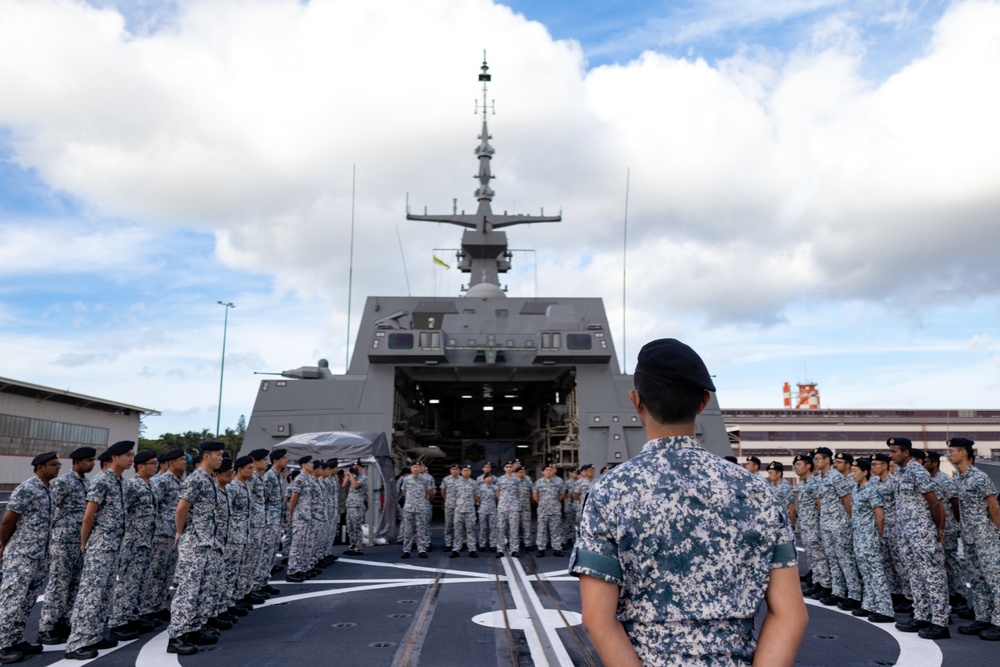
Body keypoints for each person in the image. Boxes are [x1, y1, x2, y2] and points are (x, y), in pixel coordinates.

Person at [571, 338, 805, 666]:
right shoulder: (757, 490)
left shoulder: (610, 491)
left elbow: (597, 619)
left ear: (636, 401)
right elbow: (790, 615)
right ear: (703, 402)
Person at [66, 440, 137, 660]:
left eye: (132, 454)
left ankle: (94, 635)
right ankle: (77, 642)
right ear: (114, 457)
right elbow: (88, 516)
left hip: (114, 545)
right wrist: (84, 543)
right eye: (127, 454)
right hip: (100, 545)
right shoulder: (102, 481)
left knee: (104, 593)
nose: (131, 458)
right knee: (90, 594)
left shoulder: (121, 483)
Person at [166, 441, 226, 655]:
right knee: (188, 590)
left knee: (203, 589)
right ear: (207, 456)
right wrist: (180, 532)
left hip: (208, 542)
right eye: (218, 454)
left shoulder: (210, 479)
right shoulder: (196, 479)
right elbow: (181, 509)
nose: (221, 458)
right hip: (195, 542)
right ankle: (177, 636)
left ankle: (194, 627)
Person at [0, 452, 61, 664]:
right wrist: (3, 546)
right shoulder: (27, 488)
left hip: (39, 555)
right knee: (11, 600)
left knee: (26, 602)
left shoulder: (49, 490)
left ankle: (15, 639)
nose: (58, 467)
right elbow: (8, 521)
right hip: (21, 555)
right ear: (40, 467)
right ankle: (2, 644)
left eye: (58, 464)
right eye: (54, 464)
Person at [887, 437, 950, 639]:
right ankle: (921, 615)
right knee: (915, 575)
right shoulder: (899, 473)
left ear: (905, 452)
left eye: (894, 451)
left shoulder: (917, 471)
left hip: (922, 533)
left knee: (933, 576)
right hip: (905, 533)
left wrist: (939, 528)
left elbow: (935, 503)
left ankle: (940, 622)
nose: (891, 455)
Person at [38, 447, 95, 645]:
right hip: (63, 541)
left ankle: (63, 620)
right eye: (89, 460)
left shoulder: (87, 483)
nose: (92, 464)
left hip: (79, 542)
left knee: (74, 585)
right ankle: (47, 626)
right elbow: (50, 509)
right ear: (77, 462)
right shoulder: (63, 483)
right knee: (58, 585)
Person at [948, 437, 1000, 640]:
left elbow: (994, 507)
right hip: (969, 538)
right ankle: (983, 618)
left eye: (953, 451)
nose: (949, 454)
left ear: (964, 453)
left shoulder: (979, 477)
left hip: (985, 537)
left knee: (995, 580)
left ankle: (998, 622)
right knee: (978, 581)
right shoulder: (959, 478)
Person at [107, 450, 159, 636]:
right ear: (141, 466)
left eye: (156, 463)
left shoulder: (150, 485)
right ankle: (119, 621)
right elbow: (122, 512)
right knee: (128, 582)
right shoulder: (132, 486)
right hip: (133, 542)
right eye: (152, 463)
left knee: (140, 582)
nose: (156, 466)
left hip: (146, 541)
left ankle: (131, 616)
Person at [139, 448, 185, 625]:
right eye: (181, 460)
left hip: (173, 533)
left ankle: (158, 606)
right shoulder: (162, 481)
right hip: (160, 533)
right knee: (155, 572)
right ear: (171, 463)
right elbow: (152, 505)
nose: (184, 462)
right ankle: (147, 608)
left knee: (167, 572)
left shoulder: (180, 481)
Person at [813, 447, 863, 610]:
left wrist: (850, 521)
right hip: (826, 523)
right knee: (832, 558)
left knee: (845, 559)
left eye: (818, 458)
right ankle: (838, 591)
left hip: (839, 523)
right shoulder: (820, 477)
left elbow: (847, 499)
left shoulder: (836, 477)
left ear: (827, 460)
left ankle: (854, 594)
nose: (815, 461)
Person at [848, 458, 894, 623]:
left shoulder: (871, 490)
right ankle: (869, 604)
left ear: (865, 472)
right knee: (866, 573)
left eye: (855, 471)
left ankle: (885, 609)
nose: (852, 474)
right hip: (859, 537)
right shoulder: (856, 489)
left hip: (870, 537)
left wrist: (879, 536)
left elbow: (880, 515)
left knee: (876, 573)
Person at [922, 451, 967, 613]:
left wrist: (957, 524)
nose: (923, 463)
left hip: (947, 528)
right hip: (933, 529)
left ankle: (960, 595)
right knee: (939, 563)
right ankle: (947, 593)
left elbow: (955, 504)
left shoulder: (945, 480)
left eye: (926, 461)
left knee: (951, 562)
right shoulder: (926, 480)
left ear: (934, 463)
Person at [533, 464, 566, 557]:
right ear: (542, 472)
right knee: (542, 530)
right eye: (547, 470)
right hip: (543, 510)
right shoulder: (538, 482)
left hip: (555, 509)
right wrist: (543, 503)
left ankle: (557, 548)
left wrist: (555, 502)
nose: (549, 472)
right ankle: (541, 549)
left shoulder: (558, 482)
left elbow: (562, 493)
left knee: (556, 529)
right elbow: (535, 496)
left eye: (550, 470)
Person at [400, 464, 430, 558]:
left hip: (420, 507)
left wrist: (419, 500)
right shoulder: (406, 479)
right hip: (409, 507)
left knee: (421, 529)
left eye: (417, 467)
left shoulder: (425, 479)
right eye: (414, 467)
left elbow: (427, 492)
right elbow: (404, 491)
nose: (416, 469)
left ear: (420, 468)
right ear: (411, 468)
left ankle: (421, 550)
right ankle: (406, 550)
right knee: (408, 530)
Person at [450, 465, 479, 557]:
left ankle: (472, 549)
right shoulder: (456, 483)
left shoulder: (474, 483)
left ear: (470, 472)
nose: (466, 472)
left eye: (468, 470)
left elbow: (476, 496)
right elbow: (454, 495)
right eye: (464, 470)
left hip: (470, 510)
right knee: (458, 530)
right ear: (461, 472)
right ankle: (456, 549)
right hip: (459, 510)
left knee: (470, 530)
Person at [496, 461, 521, 557]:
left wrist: (513, 501)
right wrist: (502, 501)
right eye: (507, 466)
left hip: (513, 507)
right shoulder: (500, 479)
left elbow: (518, 493)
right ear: (504, 469)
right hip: (502, 507)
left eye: (511, 466)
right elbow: (497, 492)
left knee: (514, 529)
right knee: (501, 528)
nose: (509, 468)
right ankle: (500, 549)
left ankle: (514, 549)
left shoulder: (516, 479)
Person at [344, 460, 368, 555]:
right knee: (350, 527)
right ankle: (352, 547)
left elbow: (355, 485)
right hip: (350, 505)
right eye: (354, 467)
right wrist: (349, 475)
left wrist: (352, 477)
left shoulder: (363, 478)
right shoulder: (352, 476)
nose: (355, 469)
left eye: (357, 467)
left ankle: (358, 548)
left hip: (357, 506)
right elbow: (344, 485)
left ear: (361, 468)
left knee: (356, 527)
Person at [440, 464, 461, 552]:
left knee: (459, 526)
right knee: (448, 525)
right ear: (450, 470)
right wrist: (448, 500)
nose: (454, 471)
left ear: (459, 470)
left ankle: (459, 544)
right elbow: (443, 491)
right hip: (449, 505)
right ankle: (448, 544)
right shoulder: (446, 479)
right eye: (453, 469)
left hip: (460, 506)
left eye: (456, 469)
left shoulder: (462, 479)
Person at [478, 473, 498, 552]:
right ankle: (482, 544)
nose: (489, 479)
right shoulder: (480, 488)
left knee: (493, 527)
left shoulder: (495, 487)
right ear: (484, 479)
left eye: (490, 477)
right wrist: (482, 504)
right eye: (487, 477)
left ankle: (492, 544)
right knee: (483, 527)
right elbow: (478, 498)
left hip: (492, 509)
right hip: (483, 509)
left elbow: (497, 498)